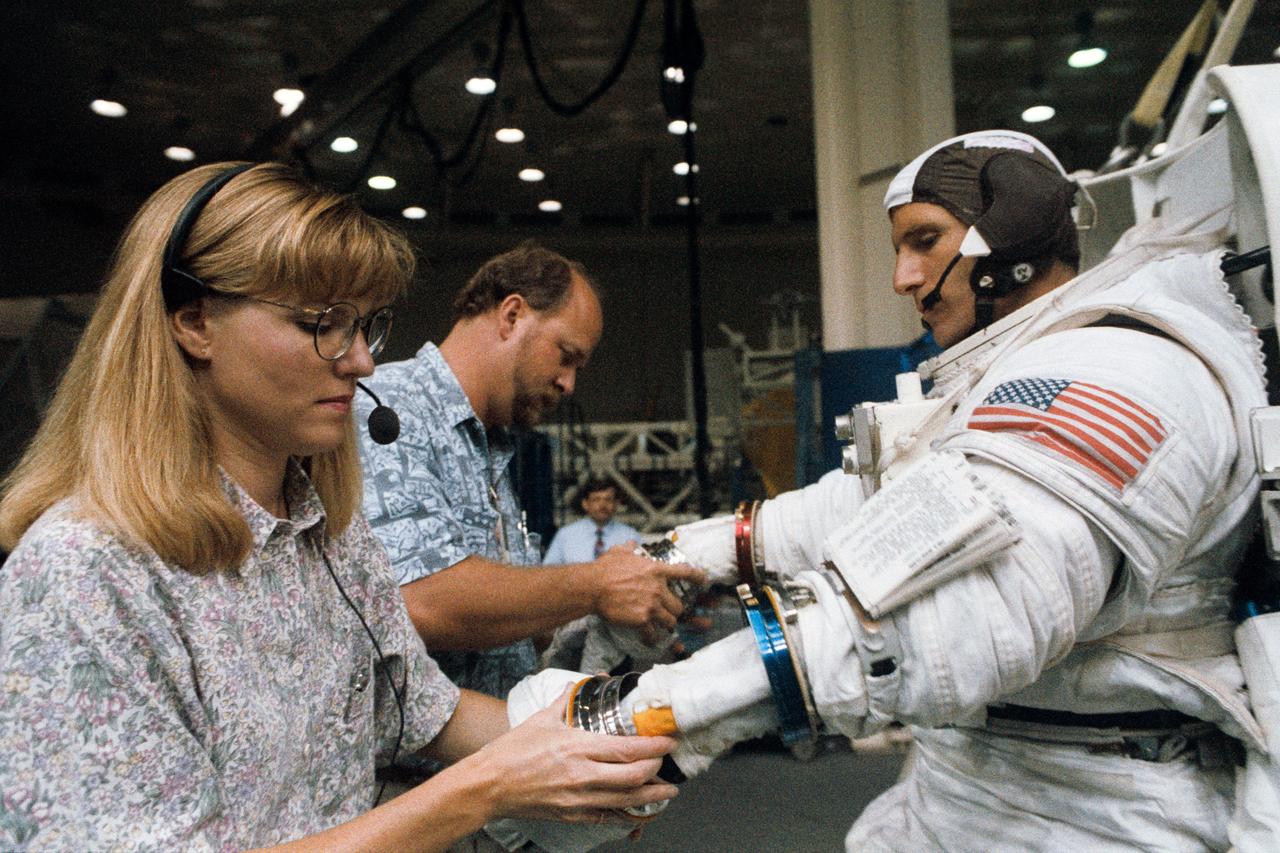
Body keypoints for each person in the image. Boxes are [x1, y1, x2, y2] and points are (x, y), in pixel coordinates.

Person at [577, 130, 1267, 850]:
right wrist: (687, 555)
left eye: (925, 241)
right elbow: (879, 510)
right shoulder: (1025, 368)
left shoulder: (1121, 368)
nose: (903, 278)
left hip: (1100, 810)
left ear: (1015, 231)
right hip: (978, 777)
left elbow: (966, 608)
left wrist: (647, 716)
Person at [0, 163, 677, 851]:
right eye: (321, 323)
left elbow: (428, 711)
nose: (359, 361)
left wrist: (625, 733)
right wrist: (486, 788)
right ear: (195, 322)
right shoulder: (85, 575)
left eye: (364, 326)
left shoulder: (328, 536)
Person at [357, 241, 704, 702]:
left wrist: (599, 619)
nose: (568, 383)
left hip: (498, 736)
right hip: (425, 751)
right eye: (566, 355)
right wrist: (596, 585)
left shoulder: (491, 445)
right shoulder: (387, 412)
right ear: (512, 316)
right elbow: (422, 600)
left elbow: (514, 637)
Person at [542, 479, 640, 565]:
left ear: (616, 504)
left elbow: (643, 569)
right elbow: (549, 570)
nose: (602, 505)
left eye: (608, 499)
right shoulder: (566, 535)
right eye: (596, 499)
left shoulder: (630, 536)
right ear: (585, 504)